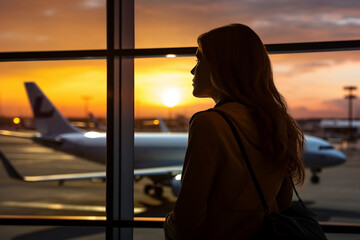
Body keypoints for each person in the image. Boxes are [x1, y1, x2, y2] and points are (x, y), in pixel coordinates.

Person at [164, 24, 305, 240]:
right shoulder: (277, 122)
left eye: (199, 59)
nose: (193, 70)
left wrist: (170, 225)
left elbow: (188, 215)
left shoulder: (209, 123)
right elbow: (283, 202)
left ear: (222, 66)